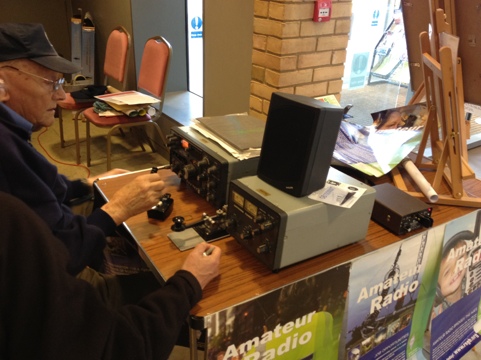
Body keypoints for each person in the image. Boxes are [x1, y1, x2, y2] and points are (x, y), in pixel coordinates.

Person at [0, 22, 220, 307]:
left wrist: (88, 185)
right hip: (52, 295)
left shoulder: (12, 133)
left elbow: (45, 186)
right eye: (50, 82)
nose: (60, 95)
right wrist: (119, 208)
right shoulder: (6, 151)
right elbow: (64, 256)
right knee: (177, 278)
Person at [0, 191, 220, 360]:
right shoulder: (10, 220)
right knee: (202, 299)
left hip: (68, 290)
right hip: (80, 298)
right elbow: (118, 347)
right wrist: (189, 281)